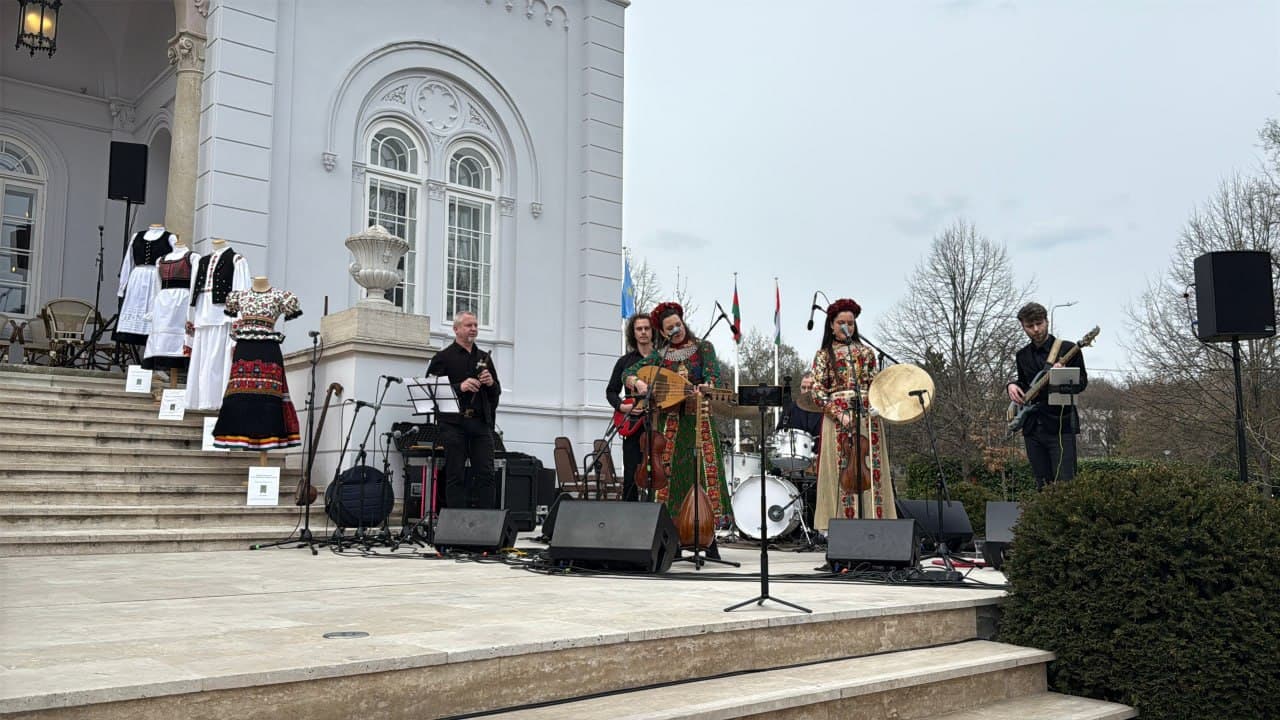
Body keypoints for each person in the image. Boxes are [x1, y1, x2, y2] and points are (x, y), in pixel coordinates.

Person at [625, 302, 732, 546]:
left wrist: (707, 385)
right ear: (662, 333)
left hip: (699, 420)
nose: (676, 329)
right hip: (670, 421)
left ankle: (708, 538)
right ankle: (671, 537)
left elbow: (714, 375)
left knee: (704, 474)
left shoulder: (703, 348)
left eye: (678, 324)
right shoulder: (658, 356)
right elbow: (629, 372)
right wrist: (637, 382)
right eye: (670, 328)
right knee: (670, 478)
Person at [809, 298, 897, 531]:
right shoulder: (823, 355)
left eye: (851, 322)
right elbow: (817, 391)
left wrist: (877, 405)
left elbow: (874, 383)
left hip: (866, 415)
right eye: (841, 323)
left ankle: (877, 525)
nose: (846, 326)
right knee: (840, 470)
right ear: (831, 325)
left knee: (871, 468)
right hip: (837, 418)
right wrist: (839, 414)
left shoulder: (867, 353)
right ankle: (839, 531)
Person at [1007, 302, 1088, 489]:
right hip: (1032, 427)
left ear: (1047, 321)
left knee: (1065, 487)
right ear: (1023, 326)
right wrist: (1011, 385)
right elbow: (1024, 384)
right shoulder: (1022, 355)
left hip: (1060, 426)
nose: (1036, 329)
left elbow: (1082, 383)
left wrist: (1063, 375)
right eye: (1030, 326)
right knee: (1041, 485)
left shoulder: (1068, 349)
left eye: (1039, 323)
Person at [426, 311, 501, 509]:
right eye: (469, 325)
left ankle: (487, 525)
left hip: (479, 424)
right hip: (453, 425)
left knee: (486, 474)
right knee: (455, 475)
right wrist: (461, 387)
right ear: (456, 329)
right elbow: (432, 392)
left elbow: (496, 394)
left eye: (476, 325)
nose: (474, 329)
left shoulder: (484, 357)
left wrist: (491, 383)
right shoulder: (443, 358)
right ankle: (455, 527)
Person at [605, 313, 654, 501]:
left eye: (646, 328)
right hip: (632, 423)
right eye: (639, 329)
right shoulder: (624, 362)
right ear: (633, 333)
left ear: (652, 332)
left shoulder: (661, 360)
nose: (643, 332)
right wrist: (621, 407)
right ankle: (630, 515)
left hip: (656, 422)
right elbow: (611, 391)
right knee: (631, 472)